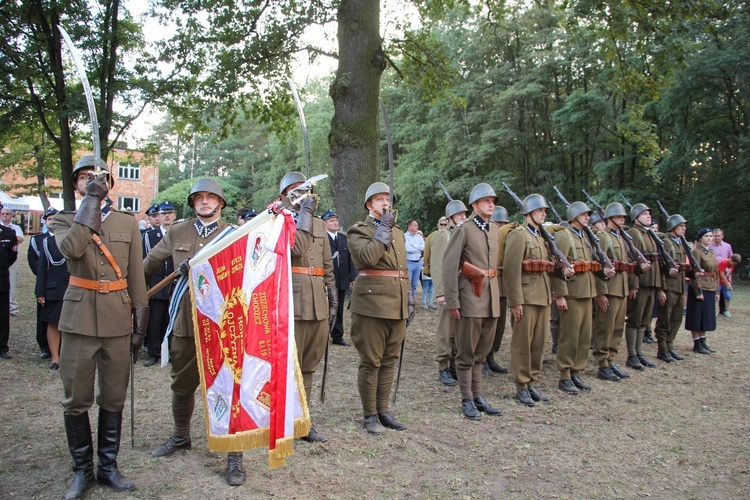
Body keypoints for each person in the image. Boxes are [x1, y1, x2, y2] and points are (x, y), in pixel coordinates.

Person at [49, 155, 148, 498]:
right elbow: (71, 250)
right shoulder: (63, 220)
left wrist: (140, 322)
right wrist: (90, 202)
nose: (90, 181)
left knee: (114, 396)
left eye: (97, 178)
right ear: (77, 185)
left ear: (109, 184)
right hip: (78, 321)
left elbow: (136, 273)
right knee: (76, 398)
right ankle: (81, 470)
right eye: (83, 178)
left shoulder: (127, 221)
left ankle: (107, 467)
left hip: (117, 319)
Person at [144, 178, 247, 486]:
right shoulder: (177, 230)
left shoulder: (234, 234)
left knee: (229, 387)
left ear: (221, 203)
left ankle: (234, 453)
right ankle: (180, 436)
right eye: (199, 197)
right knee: (182, 382)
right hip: (186, 320)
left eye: (211, 197)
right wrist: (124, 289)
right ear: (192, 203)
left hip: (222, 320)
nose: (204, 201)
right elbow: (148, 265)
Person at [347, 182, 412, 434]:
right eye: (379, 199)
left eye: (387, 199)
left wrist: (409, 297)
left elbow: (401, 269)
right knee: (371, 360)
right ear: (369, 205)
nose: (385, 203)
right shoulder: (359, 230)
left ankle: (383, 410)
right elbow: (367, 258)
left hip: (396, 302)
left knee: (389, 360)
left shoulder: (397, 232)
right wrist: (383, 227)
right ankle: (369, 415)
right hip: (372, 304)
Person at [279, 172, 336, 443]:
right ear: (285, 196)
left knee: (309, 364)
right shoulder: (279, 218)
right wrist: (302, 214)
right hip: (292, 299)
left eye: (305, 190)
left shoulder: (318, 223)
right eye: (294, 190)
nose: (301, 194)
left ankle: (303, 420)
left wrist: (332, 291)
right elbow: (295, 250)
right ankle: (283, 420)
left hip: (317, 300)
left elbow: (326, 262)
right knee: (290, 365)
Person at [504, 194, 574, 406]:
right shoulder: (518, 235)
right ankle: (521, 385)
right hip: (525, 298)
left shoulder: (542, 237)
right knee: (522, 344)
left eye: (544, 211)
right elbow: (511, 271)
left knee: (538, 344)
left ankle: (532, 382)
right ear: (528, 213)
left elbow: (548, 267)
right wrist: (515, 301)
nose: (543, 213)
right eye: (539, 210)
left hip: (543, 297)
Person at [443, 183, 503, 420]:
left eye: (493, 201)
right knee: (466, 352)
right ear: (475, 205)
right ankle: (467, 398)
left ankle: (478, 396)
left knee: (481, 351)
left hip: (490, 298)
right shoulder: (464, 229)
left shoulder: (494, 229)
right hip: (469, 297)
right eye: (486, 201)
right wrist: (453, 301)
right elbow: (449, 266)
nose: (491, 204)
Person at [551, 202, 613, 395]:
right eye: (584, 214)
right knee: (570, 335)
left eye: (588, 215)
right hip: (572, 293)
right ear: (573, 216)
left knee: (585, 336)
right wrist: (560, 294)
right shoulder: (563, 235)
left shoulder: (586, 236)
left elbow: (593, 265)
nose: (588, 218)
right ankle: (565, 375)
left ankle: (577, 371)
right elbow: (557, 265)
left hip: (588, 292)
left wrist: (604, 273)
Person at [592, 203, 644, 382]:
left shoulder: (622, 237)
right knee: (605, 328)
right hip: (609, 289)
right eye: (619, 216)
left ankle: (611, 360)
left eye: (623, 217)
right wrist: (601, 292)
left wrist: (630, 286)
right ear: (610, 218)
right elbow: (597, 265)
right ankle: (602, 363)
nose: (623, 219)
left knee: (617, 328)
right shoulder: (603, 237)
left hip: (621, 289)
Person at [625, 203, 664, 370]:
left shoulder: (649, 235)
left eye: (649, 214)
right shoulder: (633, 233)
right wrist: (633, 284)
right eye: (644, 214)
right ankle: (632, 355)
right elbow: (631, 259)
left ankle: (639, 352)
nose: (648, 216)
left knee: (644, 320)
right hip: (640, 283)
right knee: (635, 319)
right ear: (636, 217)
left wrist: (659, 285)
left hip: (651, 283)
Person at [433, 203, 467, 386]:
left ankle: (454, 364)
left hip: (462, 289)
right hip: (447, 289)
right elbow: (438, 266)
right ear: (450, 218)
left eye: (464, 214)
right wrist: (440, 292)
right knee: (445, 330)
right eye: (459, 214)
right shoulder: (442, 237)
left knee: (458, 331)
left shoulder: (464, 234)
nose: (463, 217)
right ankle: (443, 366)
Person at [653, 214, 693, 362]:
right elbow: (662, 267)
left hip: (680, 287)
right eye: (681, 226)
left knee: (676, 318)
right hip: (669, 287)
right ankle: (662, 349)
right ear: (673, 227)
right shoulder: (667, 243)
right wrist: (661, 289)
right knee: (665, 319)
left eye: (684, 226)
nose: (684, 228)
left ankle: (669, 346)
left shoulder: (680, 243)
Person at [142, 201, 177, 367]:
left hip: (174, 283)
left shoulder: (179, 234)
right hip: (156, 283)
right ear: (159, 216)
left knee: (171, 320)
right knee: (154, 321)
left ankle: (170, 352)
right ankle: (153, 353)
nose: (167, 216)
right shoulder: (148, 236)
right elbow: (144, 260)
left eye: (170, 213)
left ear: (174, 215)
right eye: (164, 213)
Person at [35, 209, 70, 370]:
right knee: (53, 323)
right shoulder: (47, 242)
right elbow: (42, 268)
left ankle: (68, 356)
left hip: (73, 289)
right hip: (54, 290)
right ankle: (55, 358)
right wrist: (40, 292)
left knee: (72, 325)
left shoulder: (72, 240)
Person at [322, 209, 358, 347]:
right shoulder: (323, 238)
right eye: (331, 221)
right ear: (325, 224)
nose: (335, 223)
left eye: (336, 220)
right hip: (327, 280)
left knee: (339, 308)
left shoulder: (343, 238)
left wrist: (352, 276)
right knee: (326, 307)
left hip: (341, 279)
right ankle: (324, 334)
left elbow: (350, 259)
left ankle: (337, 335)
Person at [28, 208, 57, 359]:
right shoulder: (37, 240)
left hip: (61, 285)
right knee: (43, 317)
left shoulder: (65, 238)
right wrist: (44, 277)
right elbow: (33, 260)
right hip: (45, 283)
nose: (52, 221)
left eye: (55, 218)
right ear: (45, 221)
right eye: (49, 219)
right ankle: (45, 347)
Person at [486, 205, 512, 375]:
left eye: (503, 223)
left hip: (502, 286)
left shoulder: (507, 236)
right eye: (497, 222)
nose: (500, 226)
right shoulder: (486, 235)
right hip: (489, 284)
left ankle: (490, 356)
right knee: (486, 325)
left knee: (499, 326)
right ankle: (480, 357)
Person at [686, 228, 719, 354]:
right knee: (697, 315)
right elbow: (695, 273)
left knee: (706, 316)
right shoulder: (696, 252)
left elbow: (715, 272)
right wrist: (698, 291)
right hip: (700, 286)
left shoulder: (711, 252)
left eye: (711, 236)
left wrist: (716, 290)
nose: (710, 238)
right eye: (706, 236)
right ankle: (697, 342)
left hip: (710, 286)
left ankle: (703, 341)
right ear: (700, 239)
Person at [0, 204, 18, 360]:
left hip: (1, 280)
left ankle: (2, 347)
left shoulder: (8, 233)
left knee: (3, 315)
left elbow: (12, 256)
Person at [1, 207, 24, 316]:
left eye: (7, 213)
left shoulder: (16, 227)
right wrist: (12, 239)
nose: (5, 215)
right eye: (3, 213)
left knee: (12, 283)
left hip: (12, 258)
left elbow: (20, 239)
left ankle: (12, 308)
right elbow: (15, 239)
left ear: (11, 216)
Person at [422, 218, 446, 311]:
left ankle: (431, 302)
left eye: (445, 224)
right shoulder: (433, 236)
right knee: (427, 288)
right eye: (441, 224)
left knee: (431, 289)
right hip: (435, 268)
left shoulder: (452, 235)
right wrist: (427, 268)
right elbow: (426, 253)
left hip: (446, 271)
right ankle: (425, 303)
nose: (443, 226)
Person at [709, 228, 732, 315]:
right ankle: (713, 310)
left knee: (724, 292)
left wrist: (730, 275)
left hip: (724, 272)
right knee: (715, 290)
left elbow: (731, 258)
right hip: (713, 271)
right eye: (715, 236)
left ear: (722, 236)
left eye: (719, 236)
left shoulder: (727, 246)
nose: (717, 238)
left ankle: (723, 309)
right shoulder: (710, 246)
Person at [404, 220, 424, 300]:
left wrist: (414, 246)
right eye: (415, 225)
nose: (417, 227)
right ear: (410, 226)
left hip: (418, 263)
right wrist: (418, 248)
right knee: (408, 284)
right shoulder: (404, 236)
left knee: (414, 284)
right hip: (409, 262)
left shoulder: (419, 237)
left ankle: (413, 302)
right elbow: (407, 248)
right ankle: (406, 301)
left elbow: (423, 247)